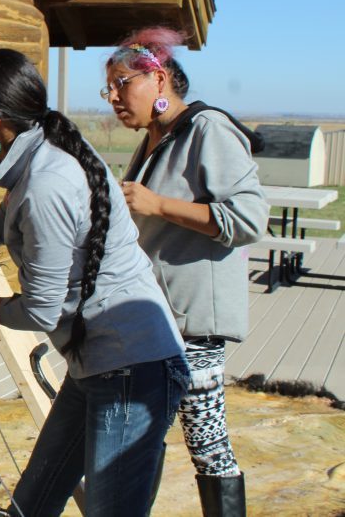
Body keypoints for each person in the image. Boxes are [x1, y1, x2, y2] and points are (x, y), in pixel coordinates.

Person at [0, 49, 189, 516]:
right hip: (99, 364)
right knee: (33, 504)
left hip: (130, 369)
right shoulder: (40, 163)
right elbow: (3, 226)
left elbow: (41, 311)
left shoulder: (47, 184)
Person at [103, 27, 268, 516]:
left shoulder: (207, 129)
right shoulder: (156, 140)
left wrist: (158, 204)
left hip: (192, 322)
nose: (113, 97)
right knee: (143, 439)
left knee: (206, 441)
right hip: (155, 318)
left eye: (122, 83)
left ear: (159, 80)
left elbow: (248, 219)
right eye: (107, 88)